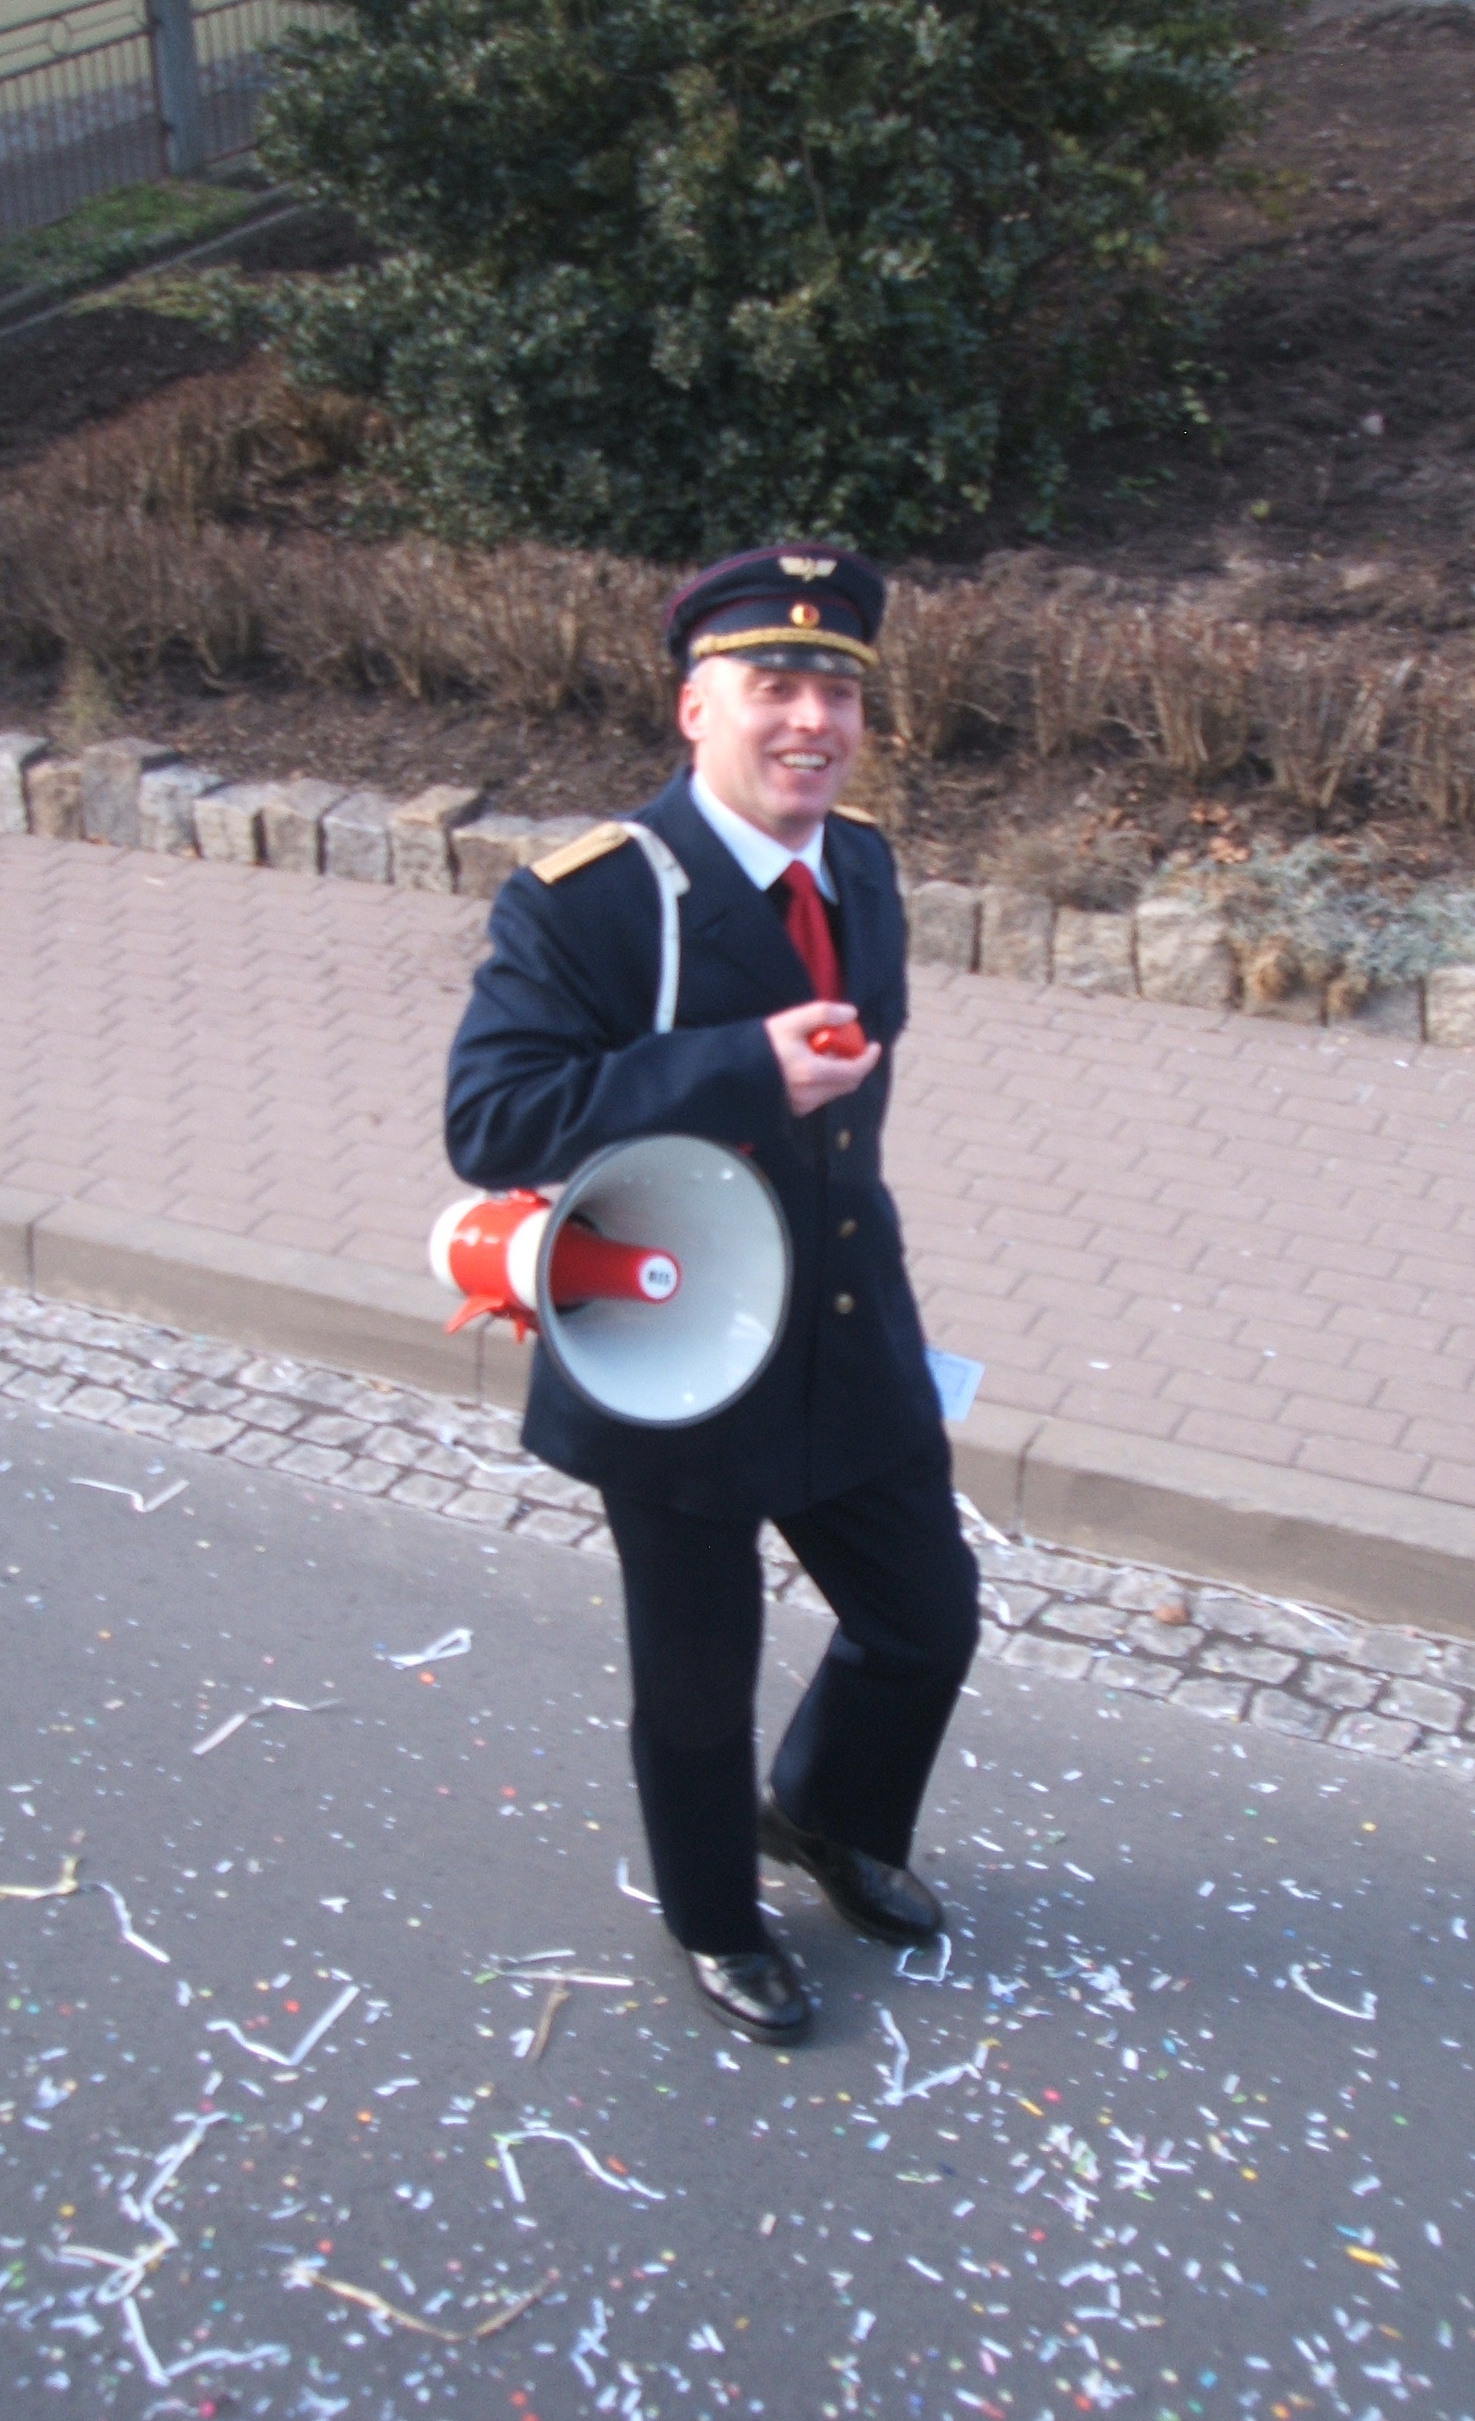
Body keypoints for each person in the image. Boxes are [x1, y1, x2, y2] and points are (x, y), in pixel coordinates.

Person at [444, 545, 978, 2045]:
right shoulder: (592, 901)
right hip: (671, 1338)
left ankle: (824, 1812)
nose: (813, 720)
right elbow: (492, 1119)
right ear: (696, 708)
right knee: (697, 1678)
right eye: (774, 686)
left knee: (926, 1618)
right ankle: (715, 1918)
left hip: (846, 1322)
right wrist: (739, 1066)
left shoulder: (860, 863)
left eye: (838, 692)